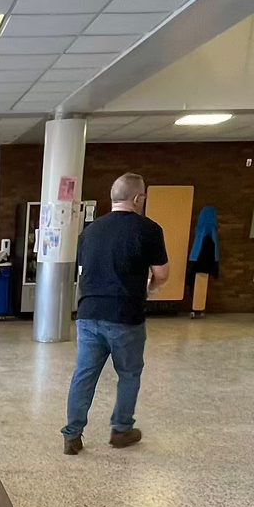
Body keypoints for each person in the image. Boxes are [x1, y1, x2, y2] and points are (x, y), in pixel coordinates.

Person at [61, 171, 168, 455]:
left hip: (88, 312)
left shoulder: (90, 231)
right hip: (125, 315)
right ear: (137, 198)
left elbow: (86, 271)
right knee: (129, 373)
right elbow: (162, 273)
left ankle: (72, 435)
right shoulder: (148, 229)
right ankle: (121, 430)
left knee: (84, 375)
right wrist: (152, 287)